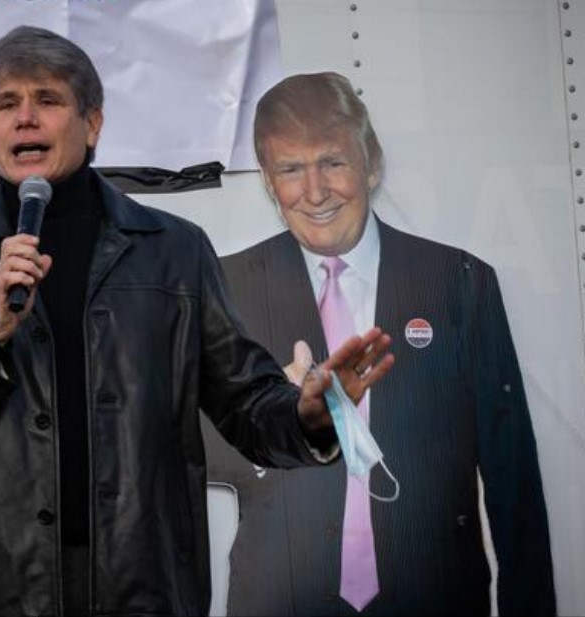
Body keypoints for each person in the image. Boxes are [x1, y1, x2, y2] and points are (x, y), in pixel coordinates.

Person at [0, 29, 394, 617]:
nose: (26, 118)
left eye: (48, 100)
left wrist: (309, 418)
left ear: (92, 124)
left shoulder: (173, 251)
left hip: (143, 589)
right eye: (6, 104)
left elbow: (245, 402)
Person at [202, 72, 555, 616]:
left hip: (435, 598)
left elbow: (513, 478)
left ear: (372, 163)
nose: (314, 192)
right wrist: (281, 416)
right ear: (270, 182)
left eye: (332, 162)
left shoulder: (459, 283)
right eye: (291, 170)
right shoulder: (225, 289)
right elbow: (184, 451)